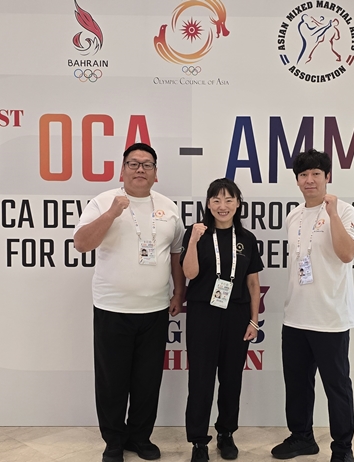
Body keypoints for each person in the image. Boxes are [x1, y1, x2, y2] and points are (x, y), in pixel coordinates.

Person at [74, 143, 186, 462]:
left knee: (147, 381)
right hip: (112, 309)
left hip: (155, 309)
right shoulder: (103, 202)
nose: (140, 169)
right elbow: (81, 243)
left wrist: (179, 293)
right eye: (133, 164)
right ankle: (113, 440)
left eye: (147, 165)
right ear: (121, 170)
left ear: (156, 173)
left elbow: (176, 253)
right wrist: (112, 213)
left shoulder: (168, 207)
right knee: (112, 381)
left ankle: (140, 437)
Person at [271, 149, 354, 462]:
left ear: (327, 177)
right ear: (297, 180)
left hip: (330, 318)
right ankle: (301, 438)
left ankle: (342, 449)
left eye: (316, 174)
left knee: (337, 387)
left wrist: (332, 214)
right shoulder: (293, 216)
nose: (310, 180)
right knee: (297, 384)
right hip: (296, 317)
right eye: (304, 175)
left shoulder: (345, 212)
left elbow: (346, 254)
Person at [181, 178, 264, 462]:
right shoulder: (197, 233)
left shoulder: (247, 239)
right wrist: (193, 240)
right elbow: (189, 274)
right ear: (208, 204)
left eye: (229, 200)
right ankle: (198, 441)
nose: (222, 206)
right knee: (200, 379)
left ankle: (226, 433)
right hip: (203, 313)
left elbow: (253, 284)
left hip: (236, 314)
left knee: (231, 378)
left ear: (238, 204)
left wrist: (254, 320)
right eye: (216, 200)